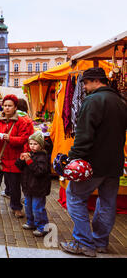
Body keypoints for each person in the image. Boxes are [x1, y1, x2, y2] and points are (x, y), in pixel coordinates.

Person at [60, 68, 127, 257]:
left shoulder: (93, 100)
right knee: (107, 202)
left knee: (74, 197)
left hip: (93, 163)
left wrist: (72, 157)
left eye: (86, 83)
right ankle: (100, 242)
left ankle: (84, 242)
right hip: (114, 162)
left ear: (95, 81)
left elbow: (84, 135)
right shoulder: (120, 101)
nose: (84, 86)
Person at [0, 94, 32, 218]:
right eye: (5, 105)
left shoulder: (21, 122)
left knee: (14, 186)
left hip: (14, 159)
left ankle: (16, 207)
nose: (7, 108)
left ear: (15, 107)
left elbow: (24, 139)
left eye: (10, 106)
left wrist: (10, 138)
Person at [15, 131, 51, 237]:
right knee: (28, 206)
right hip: (28, 187)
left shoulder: (43, 157)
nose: (32, 146)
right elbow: (19, 167)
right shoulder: (30, 154)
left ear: (41, 145)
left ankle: (42, 227)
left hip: (38, 188)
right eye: (31, 144)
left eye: (35, 144)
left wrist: (29, 161)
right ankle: (31, 222)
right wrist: (21, 160)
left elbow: (39, 171)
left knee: (38, 208)